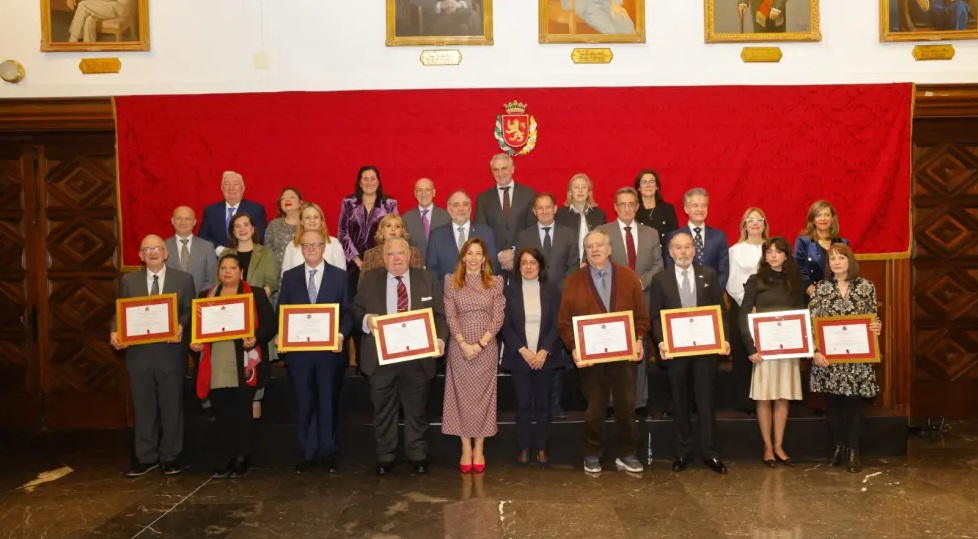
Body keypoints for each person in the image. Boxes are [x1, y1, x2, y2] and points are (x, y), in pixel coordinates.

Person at [558, 229, 650, 474]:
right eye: (590, 247)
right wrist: (574, 348)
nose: (595, 250)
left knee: (626, 407)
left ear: (610, 249)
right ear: (585, 252)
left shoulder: (629, 277)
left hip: (624, 355)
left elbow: (642, 316)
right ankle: (592, 453)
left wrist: (639, 338)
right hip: (591, 358)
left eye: (599, 245)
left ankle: (627, 453)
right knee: (595, 409)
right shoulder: (574, 281)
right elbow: (564, 322)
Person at [354, 238, 448, 475]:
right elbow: (356, 311)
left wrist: (439, 339)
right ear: (383, 258)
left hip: (417, 359)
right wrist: (367, 321)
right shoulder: (370, 279)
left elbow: (440, 316)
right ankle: (385, 456)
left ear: (410, 256)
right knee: (383, 410)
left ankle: (417, 454)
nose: (396, 258)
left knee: (417, 410)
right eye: (391, 254)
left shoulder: (427, 279)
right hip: (380, 359)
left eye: (401, 253)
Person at [110, 235, 195, 477]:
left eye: (157, 248)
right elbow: (119, 310)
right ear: (140, 255)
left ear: (166, 253)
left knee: (171, 406)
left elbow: (190, 309)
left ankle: (171, 456)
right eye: (146, 249)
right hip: (139, 353)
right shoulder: (129, 281)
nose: (152, 253)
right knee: (143, 406)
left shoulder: (183, 279)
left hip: (170, 352)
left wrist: (180, 325)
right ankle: (145, 457)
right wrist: (114, 331)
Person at [651, 232, 730, 475]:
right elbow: (656, 316)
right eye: (678, 247)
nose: (683, 252)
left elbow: (720, 311)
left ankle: (710, 452)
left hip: (705, 350)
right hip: (676, 352)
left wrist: (724, 338)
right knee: (680, 401)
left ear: (694, 251)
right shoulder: (660, 279)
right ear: (670, 252)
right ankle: (683, 452)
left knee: (706, 402)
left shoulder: (708, 275)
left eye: (688, 247)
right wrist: (662, 342)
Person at [190, 253, 276, 479]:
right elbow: (195, 329)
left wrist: (255, 338)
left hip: (244, 363)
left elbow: (270, 324)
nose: (227, 271)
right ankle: (225, 457)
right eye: (223, 268)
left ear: (241, 272)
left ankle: (242, 457)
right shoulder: (205, 296)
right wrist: (195, 344)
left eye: (232, 268)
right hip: (216, 361)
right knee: (222, 412)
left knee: (242, 412)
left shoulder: (255, 294)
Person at [277, 230, 352, 474]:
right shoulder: (290, 277)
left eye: (316, 245)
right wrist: (283, 335)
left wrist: (340, 335)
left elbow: (348, 313)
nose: (311, 249)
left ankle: (328, 452)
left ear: (324, 247)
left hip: (330, 353)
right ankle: (308, 452)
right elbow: (283, 311)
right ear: (300, 248)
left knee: (328, 402)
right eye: (306, 245)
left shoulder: (340, 277)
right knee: (305, 401)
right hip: (300, 354)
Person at [810, 244, 882, 474]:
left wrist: (877, 326)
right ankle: (838, 447)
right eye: (832, 259)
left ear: (850, 261)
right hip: (829, 358)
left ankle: (854, 450)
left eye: (841, 257)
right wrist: (814, 352)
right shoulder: (820, 288)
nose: (837, 262)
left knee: (854, 406)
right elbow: (811, 323)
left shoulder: (866, 287)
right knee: (832, 405)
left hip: (857, 358)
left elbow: (872, 318)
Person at [596, 187, 664, 417]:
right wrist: (625, 284)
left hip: (643, 299)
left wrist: (638, 283)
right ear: (615, 207)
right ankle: (613, 402)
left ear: (637, 206)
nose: (626, 208)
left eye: (631, 204)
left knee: (640, 350)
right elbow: (599, 264)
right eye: (621, 204)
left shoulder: (651, 233)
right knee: (613, 353)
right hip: (612, 300)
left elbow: (658, 266)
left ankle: (639, 400)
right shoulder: (602, 232)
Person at [739, 237, 806, 467]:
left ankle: (779, 445)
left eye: (778, 251)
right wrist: (751, 348)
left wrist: (802, 344)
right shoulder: (755, 281)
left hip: (788, 348)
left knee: (782, 396)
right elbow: (744, 315)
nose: (773, 255)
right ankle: (767, 447)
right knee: (765, 397)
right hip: (763, 350)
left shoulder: (795, 281)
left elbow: (801, 313)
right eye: (769, 252)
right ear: (764, 256)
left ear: (786, 255)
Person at [442, 237, 505, 474]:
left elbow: (498, 317)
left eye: (478, 253)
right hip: (459, 347)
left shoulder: (495, 282)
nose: (473, 258)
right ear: (463, 257)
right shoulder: (451, 281)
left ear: (484, 258)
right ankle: (465, 447)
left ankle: (479, 446)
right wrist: (462, 343)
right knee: (460, 397)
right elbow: (450, 315)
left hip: (485, 347)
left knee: (484, 399)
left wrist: (480, 343)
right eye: (469, 253)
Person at [501, 248, 562, 468]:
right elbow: (505, 326)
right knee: (523, 405)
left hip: (545, 357)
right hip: (520, 358)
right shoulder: (509, 291)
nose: (528, 267)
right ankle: (524, 448)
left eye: (533, 262)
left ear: (540, 266)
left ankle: (542, 448)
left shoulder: (552, 290)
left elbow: (557, 324)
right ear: (518, 267)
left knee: (544, 406)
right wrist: (523, 350)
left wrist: (544, 350)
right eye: (524, 263)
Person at [219, 212, 280, 419]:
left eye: (246, 225)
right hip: (230, 322)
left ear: (253, 229)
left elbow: (272, 282)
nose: (242, 229)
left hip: (258, 319)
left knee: (255, 375)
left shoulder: (266, 252)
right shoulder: (226, 253)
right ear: (233, 231)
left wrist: (255, 302)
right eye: (237, 226)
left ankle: (254, 428)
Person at [726, 207, 770, 414]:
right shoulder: (735, 250)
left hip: (768, 308)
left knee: (766, 353)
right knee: (744, 354)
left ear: (764, 224)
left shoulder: (772, 249)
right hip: (742, 306)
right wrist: (748, 303)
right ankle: (745, 401)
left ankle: (766, 397)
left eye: (758, 220)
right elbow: (731, 281)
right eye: (750, 220)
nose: (754, 223)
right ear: (744, 225)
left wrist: (762, 303)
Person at [338, 165, 398, 290]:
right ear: (360, 183)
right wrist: (356, 259)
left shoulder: (389, 204)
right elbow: (343, 232)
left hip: (382, 262)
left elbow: (395, 233)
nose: (369, 182)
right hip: (353, 265)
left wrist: (379, 258)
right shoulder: (348, 203)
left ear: (378, 182)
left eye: (373, 178)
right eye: (365, 179)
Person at [474, 153, 536, 273]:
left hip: (522, 262)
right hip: (493, 264)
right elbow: (481, 231)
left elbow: (532, 229)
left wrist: (514, 252)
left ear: (512, 169)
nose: (500, 173)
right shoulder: (483, 198)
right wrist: (499, 254)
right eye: (495, 170)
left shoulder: (529, 194)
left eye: (504, 168)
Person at [426, 190, 498, 284]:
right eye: (456, 205)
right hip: (447, 294)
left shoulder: (486, 233)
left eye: (465, 204)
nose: (461, 208)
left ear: (470, 208)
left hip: (480, 294)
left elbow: (492, 266)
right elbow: (432, 270)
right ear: (448, 209)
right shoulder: (436, 235)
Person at [664, 187, 730, 290]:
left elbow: (723, 271)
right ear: (686, 209)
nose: (700, 209)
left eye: (704, 205)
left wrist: (715, 293)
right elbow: (670, 269)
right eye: (695, 206)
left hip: (712, 297)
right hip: (683, 294)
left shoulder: (719, 236)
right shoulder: (674, 237)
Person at [512, 192, 579, 289]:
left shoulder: (569, 234)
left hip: (563, 293)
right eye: (540, 208)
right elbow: (518, 267)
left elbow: (573, 266)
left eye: (548, 207)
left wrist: (561, 289)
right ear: (534, 211)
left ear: (555, 209)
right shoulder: (523, 237)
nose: (544, 211)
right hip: (533, 292)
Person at [198, 171, 268, 256]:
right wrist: (220, 250)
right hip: (217, 261)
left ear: (243, 188)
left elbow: (259, 237)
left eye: (235, 184)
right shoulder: (211, 211)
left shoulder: (256, 210)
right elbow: (203, 236)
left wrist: (240, 251)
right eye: (227, 184)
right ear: (222, 188)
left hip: (247, 258)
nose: (231, 188)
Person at [794, 200, 848, 298]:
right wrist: (815, 295)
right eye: (818, 215)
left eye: (827, 215)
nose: (823, 218)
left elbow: (848, 272)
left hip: (838, 296)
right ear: (813, 220)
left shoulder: (843, 243)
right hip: (812, 296)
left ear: (832, 219)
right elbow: (799, 271)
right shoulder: (803, 242)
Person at [554, 173, 608, 265]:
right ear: (570, 192)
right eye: (576, 187)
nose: (580, 191)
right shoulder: (559, 215)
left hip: (594, 265)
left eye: (584, 187)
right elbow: (558, 245)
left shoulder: (599, 215)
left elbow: (604, 244)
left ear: (589, 192)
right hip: (567, 265)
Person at [282, 202, 346, 275]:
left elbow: (341, 276)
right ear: (301, 222)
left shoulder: (334, 243)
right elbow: (285, 276)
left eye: (315, 217)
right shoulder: (292, 245)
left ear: (321, 221)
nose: (312, 221)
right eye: (307, 217)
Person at [164, 206, 216, 294]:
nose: (183, 222)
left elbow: (213, 278)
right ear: (172, 221)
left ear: (194, 222)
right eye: (179, 218)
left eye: (187, 219)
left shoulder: (207, 247)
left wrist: (200, 296)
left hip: (199, 300)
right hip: (172, 301)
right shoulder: (163, 246)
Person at [358, 213, 424, 280]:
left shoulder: (414, 252)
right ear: (382, 230)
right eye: (388, 226)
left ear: (402, 231)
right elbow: (363, 284)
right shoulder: (370, 254)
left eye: (397, 226)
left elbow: (418, 280)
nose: (393, 229)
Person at [634, 169, 679, 260]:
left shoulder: (668, 209)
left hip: (665, 258)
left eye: (651, 182)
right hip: (641, 260)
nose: (648, 185)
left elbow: (674, 236)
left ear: (656, 186)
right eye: (644, 182)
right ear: (638, 188)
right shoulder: (633, 210)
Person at [402, 178, 450, 262]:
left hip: (440, 268)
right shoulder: (406, 218)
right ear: (415, 193)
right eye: (420, 190)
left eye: (427, 190)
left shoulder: (446, 216)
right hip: (416, 269)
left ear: (434, 192)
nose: (423, 194)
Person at [264, 187, 304, 268]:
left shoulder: (308, 223)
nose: (287, 200)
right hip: (277, 274)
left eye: (292, 197)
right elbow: (267, 252)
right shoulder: (274, 224)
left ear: (300, 203)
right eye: (283, 198)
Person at [66, 0, 134, 43]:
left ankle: (73, 40)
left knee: (83, 5)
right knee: (89, 19)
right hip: (108, 3)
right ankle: (89, 47)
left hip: (118, 6)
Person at [408, 0, 484, 36]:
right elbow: (412, 1)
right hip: (435, 19)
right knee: (472, 15)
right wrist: (440, 5)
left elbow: (468, 1)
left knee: (464, 27)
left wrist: (458, 4)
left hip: (459, 15)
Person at [560, 0, 636, 34]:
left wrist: (615, 3)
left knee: (625, 24)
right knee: (612, 31)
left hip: (607, 2)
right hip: (587, 6)